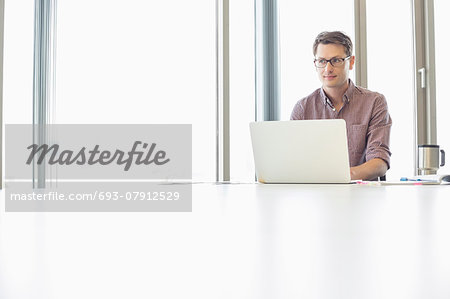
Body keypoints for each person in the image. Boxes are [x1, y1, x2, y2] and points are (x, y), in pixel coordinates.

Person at [290, 31, 392, 181]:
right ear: (315, 64)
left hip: (363, 197)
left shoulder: (374, 102)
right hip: (315, 196)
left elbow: (379, 162)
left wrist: (343, 176)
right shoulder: (303, 108)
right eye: (322, 61)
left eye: (336, 60)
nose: (328, 69)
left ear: (351, 62)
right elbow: (293, 162)